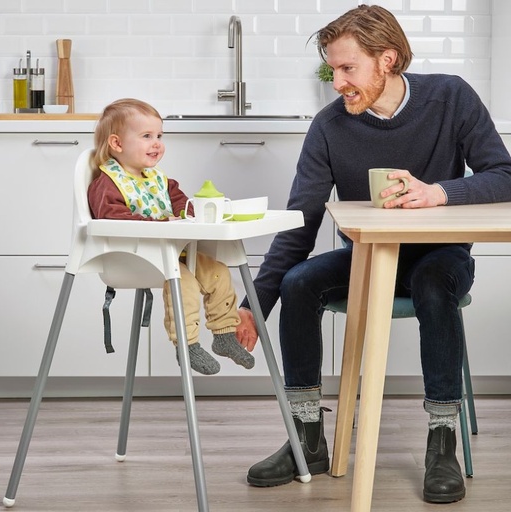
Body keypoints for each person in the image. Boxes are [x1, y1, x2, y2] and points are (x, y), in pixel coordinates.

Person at [236, 4, 511, 504]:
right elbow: (301, 222)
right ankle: (307, 438)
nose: (337, 82)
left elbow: (504, 174)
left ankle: (442, 441)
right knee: (299, 282)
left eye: (348, 68)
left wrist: (440, 193)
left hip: (442, 257)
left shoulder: (451, 98)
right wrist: (255, 304)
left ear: (387, 60)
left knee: (432, 282)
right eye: (332, 68)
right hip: (368, 260)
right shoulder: (329, 126)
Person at [88, 98, 255, 375]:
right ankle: (187, 345)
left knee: (218, 271)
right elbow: (111, 218)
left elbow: (182, 205)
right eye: (146, 136)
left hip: (173, 251)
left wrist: (190, 215)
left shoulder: (158, 180)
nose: (157, 143)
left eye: (159, 136)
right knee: (184, 282)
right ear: (117, 144)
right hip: (135, 256)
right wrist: (161, 223)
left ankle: (224, 334)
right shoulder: (108, 183)